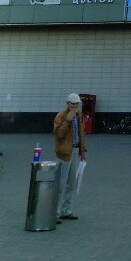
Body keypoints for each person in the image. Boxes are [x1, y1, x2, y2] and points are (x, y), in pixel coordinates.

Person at [53, 93, 88, 222]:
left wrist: (83, 150)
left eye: (76, 104)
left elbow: (81, 133)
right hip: (64, 152)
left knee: (72, 183)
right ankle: (55, 213)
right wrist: (67, 120)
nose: (74, 106)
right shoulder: (61, 116)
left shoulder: (79, 116)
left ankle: (66, 211)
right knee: (61, 184)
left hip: (75, 150)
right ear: (67, 103)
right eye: (72, 104)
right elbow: (58, 134)